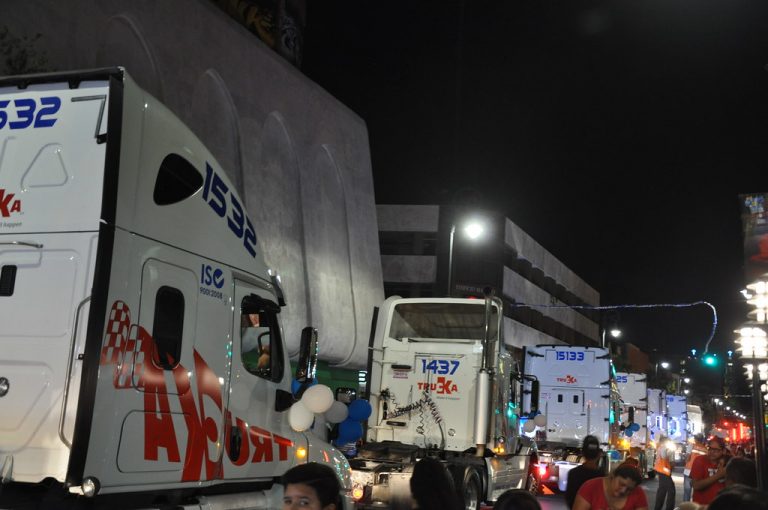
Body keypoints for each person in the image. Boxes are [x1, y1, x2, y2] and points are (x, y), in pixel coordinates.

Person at [572, 463, 648, 510]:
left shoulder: (638, 493)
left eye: (629, 489)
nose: (623, 490)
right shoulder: (590, 487)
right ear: (612, 476)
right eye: (621, 484)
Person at [565, 435, 604, 509]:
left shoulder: (573, 474)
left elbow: (569, 499)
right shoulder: (603, 476)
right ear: (599, 454)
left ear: (583, 453)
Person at [690, 436, 727, 505]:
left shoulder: (727, 463)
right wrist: (718, 475)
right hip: (702, 506)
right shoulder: (700, 460)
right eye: (710, 448)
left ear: (723, 451)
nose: (712, 452)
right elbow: (696, 485)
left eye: (716, 450)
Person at [654, 437, 676, 510]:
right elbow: (664, 456)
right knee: (671, 490)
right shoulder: (663, 448)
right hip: (663, 471)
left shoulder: (662, 448)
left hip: (663, 471)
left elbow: (670, 460)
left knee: (662, 490)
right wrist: (670, 450)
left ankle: (657, 508)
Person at [684, 436, 707, 502]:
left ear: (695, 440)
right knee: (696, 492)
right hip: (698, 473)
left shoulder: (691, 446)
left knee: (687, 491)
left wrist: (686, 461)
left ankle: (686, 506)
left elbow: (687, 458)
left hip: (688, 471)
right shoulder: (705, 449)